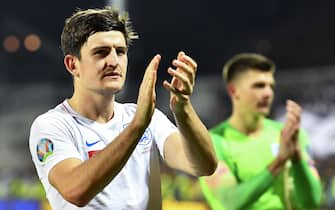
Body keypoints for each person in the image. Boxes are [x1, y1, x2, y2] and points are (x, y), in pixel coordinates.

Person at [28, 7, 217, 210]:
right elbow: (76, 191)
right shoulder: (52, 125)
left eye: (120, 52)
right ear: (73, 65)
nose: (113, 61)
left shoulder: (146, 117)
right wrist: (137, 127)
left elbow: (203, 166)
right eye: (101, 53)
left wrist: (183, 108)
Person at [199, 53, 322, 210]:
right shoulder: (213, 142)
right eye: (259, 85)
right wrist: (279, 162)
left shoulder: (288, 135)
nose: (268, 93)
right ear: (233, 90)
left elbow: (312, 202)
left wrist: (297, 157)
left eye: (271, 86)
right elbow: (229, 202)